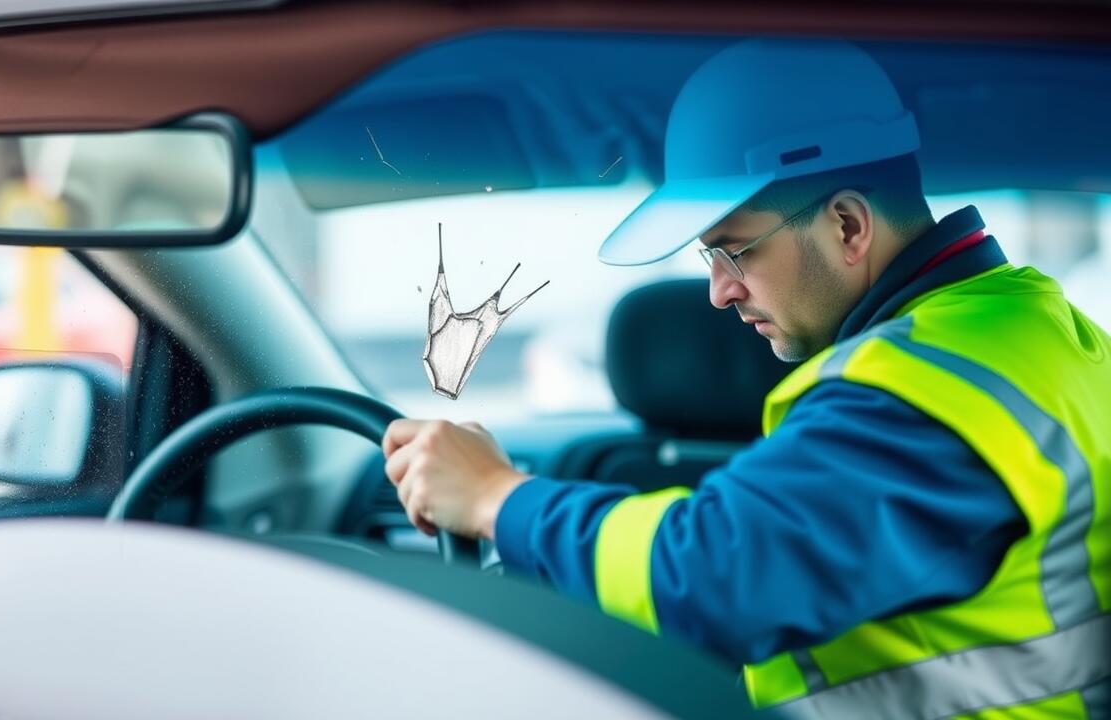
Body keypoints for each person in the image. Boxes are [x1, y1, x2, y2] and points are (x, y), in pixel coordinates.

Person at [382, 39, 1111, 718]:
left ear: (849, 227)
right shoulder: (1033, 327)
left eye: (734, 251)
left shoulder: (919, 391)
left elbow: (710, 576)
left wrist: (496, 498)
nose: (719, 292)